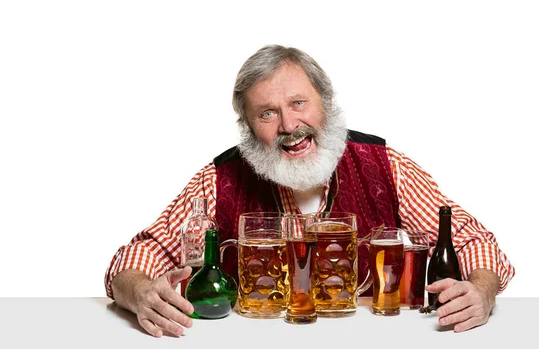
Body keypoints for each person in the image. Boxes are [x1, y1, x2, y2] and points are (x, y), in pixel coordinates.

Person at [105, 44, 515, 337]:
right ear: (249, 129)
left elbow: (473, 239)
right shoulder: (219, 179)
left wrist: (480, 290)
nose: (288, 126)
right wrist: (141, 293)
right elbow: (136, 257)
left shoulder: (386, 165)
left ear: (325, 103)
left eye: (299, 103)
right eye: (267, 113)